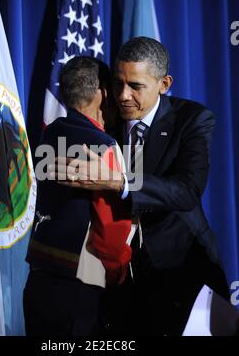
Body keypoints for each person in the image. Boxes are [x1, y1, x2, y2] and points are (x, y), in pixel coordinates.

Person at [51, 37, 230, 336]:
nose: (122, 96)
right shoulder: (105, 121)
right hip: (117, 280)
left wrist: (118, 181)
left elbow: (186, 191)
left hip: (182, 271)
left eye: (135, 86)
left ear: (164, 84)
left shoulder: (192, 119)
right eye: (118, 83)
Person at [23, 56, 132, 336]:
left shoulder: (47, 136)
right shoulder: (106, 147)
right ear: (103, 94)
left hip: (37, 280)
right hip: (80, 290)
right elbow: (110, 229)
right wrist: (119, 271)